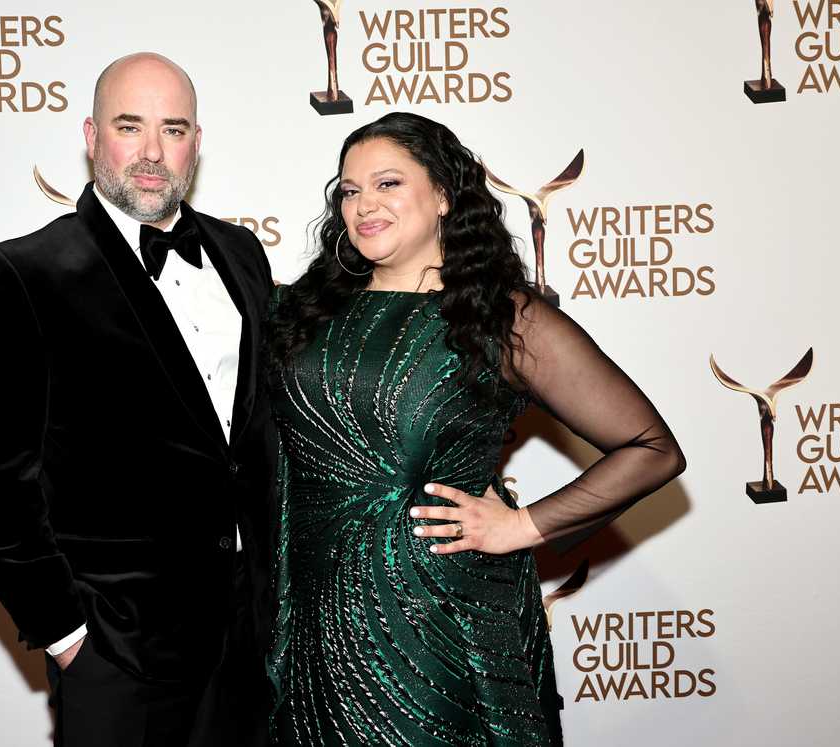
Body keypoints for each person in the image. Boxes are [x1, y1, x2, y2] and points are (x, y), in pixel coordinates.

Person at [265, 112, 686, 746]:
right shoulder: (303, 310)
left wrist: (523, 525)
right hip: (310, 617)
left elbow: (651, 449)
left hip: (437, 617)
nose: (363, 205)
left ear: (441, 196)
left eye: (387, 184)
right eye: (349, 191)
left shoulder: (505, 319)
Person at [0, 53, 276, 747]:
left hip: (248, 642)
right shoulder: (23, 274)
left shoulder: (241, 252)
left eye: (175, 129)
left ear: (197, 141)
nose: (154, 152)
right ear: (92, 136)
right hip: (119, 656)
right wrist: (72, 640)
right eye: (131, 127)